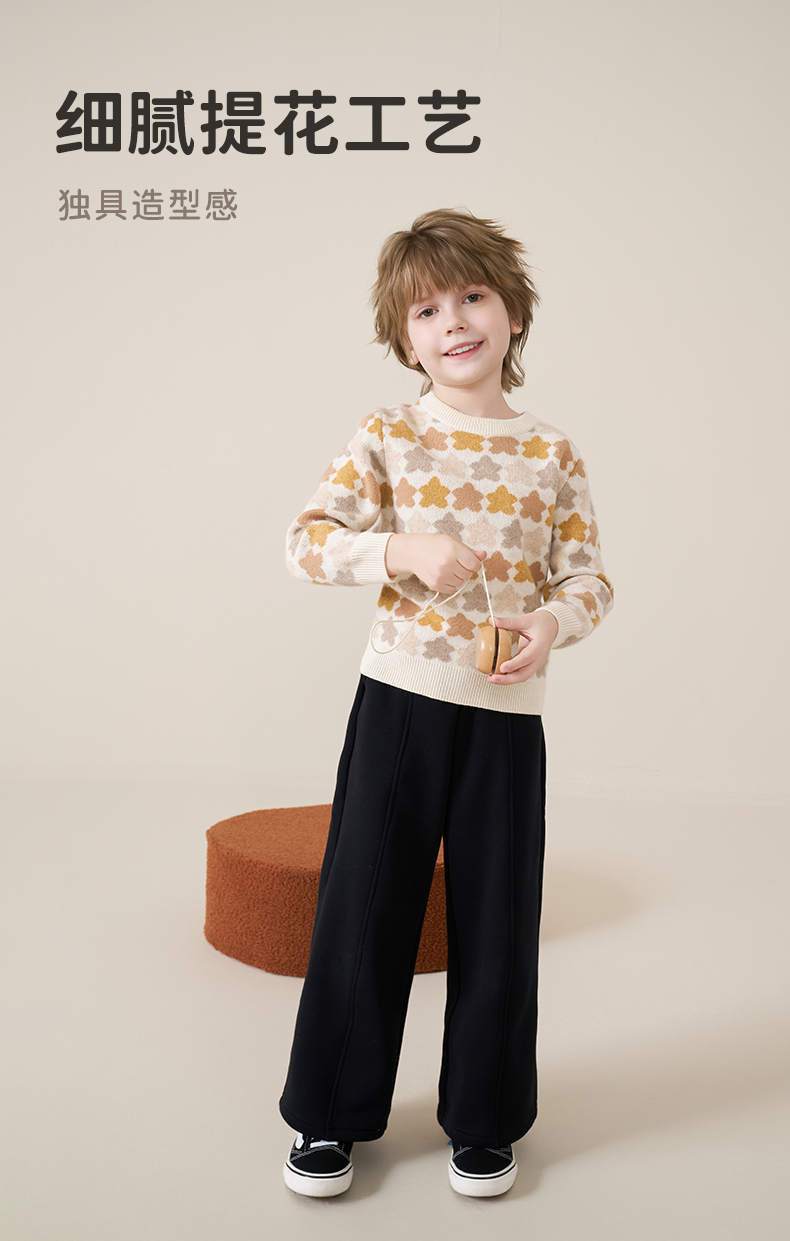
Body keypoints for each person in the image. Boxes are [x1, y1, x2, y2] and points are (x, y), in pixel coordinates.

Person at [279, 208, 613, 1198]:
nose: (454, 321)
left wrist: (550, 622)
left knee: (500, 918)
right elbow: (305, 541)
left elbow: (589, 579)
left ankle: (486, 1115)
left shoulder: (553, 454)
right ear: (404, 337)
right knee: (364, 905)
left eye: (472, 296)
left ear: (514, 312)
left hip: (507, 722)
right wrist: (401, 549)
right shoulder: (390, 434)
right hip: (400, 703)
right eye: (426, 310)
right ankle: (330, 1113)